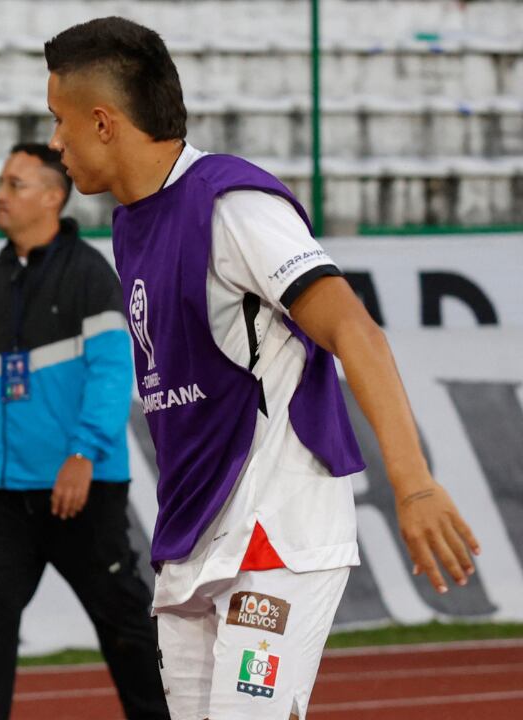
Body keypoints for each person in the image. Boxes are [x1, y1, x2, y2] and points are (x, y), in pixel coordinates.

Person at [42, 17, 482, 720]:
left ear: (102, 121)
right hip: (192, 538)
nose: (54, 142)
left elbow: (355, 331)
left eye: (58, 120)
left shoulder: (232, 203)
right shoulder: (131, 222)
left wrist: (414, 483)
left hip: (275, 529)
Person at [0, 143, 168, 719]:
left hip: (80, 490)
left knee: (125, 629)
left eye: (15, 184)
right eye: (1, 181)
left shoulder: (92, 275)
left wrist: (83, 454)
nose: (0, 193)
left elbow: (112, 371)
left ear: (53, 196)